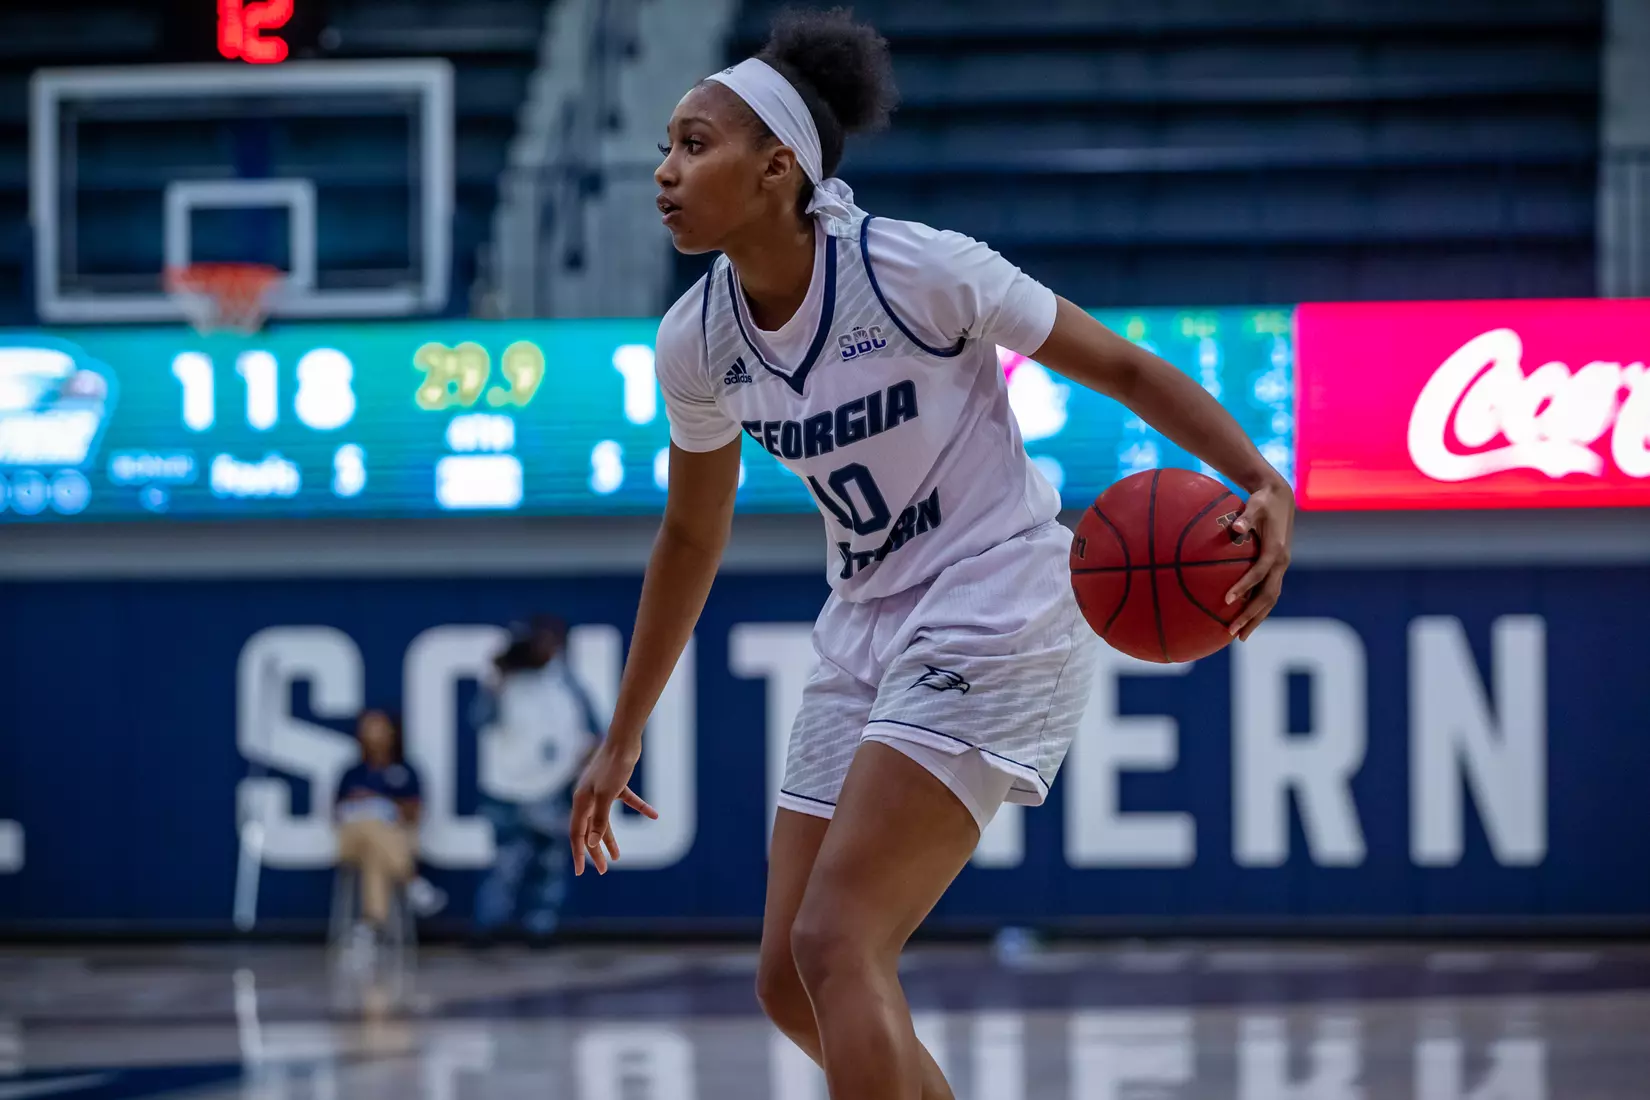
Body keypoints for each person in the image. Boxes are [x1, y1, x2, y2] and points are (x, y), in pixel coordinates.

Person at [569, 10, 1296, 1099]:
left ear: (778, 168)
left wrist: (1262, 476)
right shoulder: (696, 338)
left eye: (693, 144)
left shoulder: (916, 270)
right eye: (666, 145)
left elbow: (1128, 370)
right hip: (866, 619)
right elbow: (691, 530)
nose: (664, 170)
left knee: (837, 943)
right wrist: (622, 734)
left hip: (997, 594)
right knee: (786, 977)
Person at [472, 616, 600, 946]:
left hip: (553, 788)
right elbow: (480, 720)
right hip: (506, 791)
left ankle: (541, 928)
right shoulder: (502, 682)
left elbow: (595, 733)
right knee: (505, 865)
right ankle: (490, 927)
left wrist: (577, 770)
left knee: (551, 864)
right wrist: (498, 679)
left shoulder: (569, 685)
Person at [334, 709, 443, 962]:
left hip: (388, 843)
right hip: (353, 841)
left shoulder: (406, 772)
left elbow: (414, 814)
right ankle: (412, 881)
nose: (375, 734)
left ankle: (370, 926)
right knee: (371, 826)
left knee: (376, 852)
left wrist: (383, 803)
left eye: (380, 728)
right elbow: (337, 813)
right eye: (369, 728)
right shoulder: (352, 773)